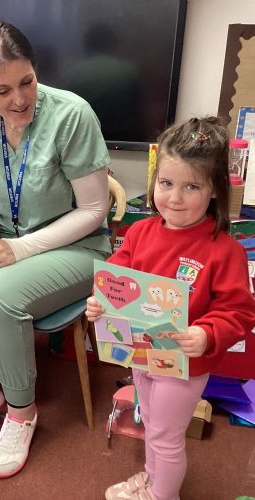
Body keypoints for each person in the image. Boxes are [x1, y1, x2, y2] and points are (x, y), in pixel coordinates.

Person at [0, 21, 112, 478]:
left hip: (76, 245)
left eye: (27, 82)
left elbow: (94, 209)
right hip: (3, 235)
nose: (19, 100)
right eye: (3, 90)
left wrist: (21, 248)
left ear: (36, 70)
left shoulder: (72, 115)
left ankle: (21, 412)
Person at [86, 117, 255, 500]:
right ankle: (153, 479)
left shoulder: (224, 250)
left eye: (191, 186)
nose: (175, 198)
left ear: (214, 189)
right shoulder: (140, 232)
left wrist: (207, 333)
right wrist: (101, 301)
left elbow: (240, 312)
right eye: (166, 183)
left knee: (166, 436)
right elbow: (116, 278)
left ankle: (163, 494)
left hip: (185, 366)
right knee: (153, 424)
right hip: (142, 353)